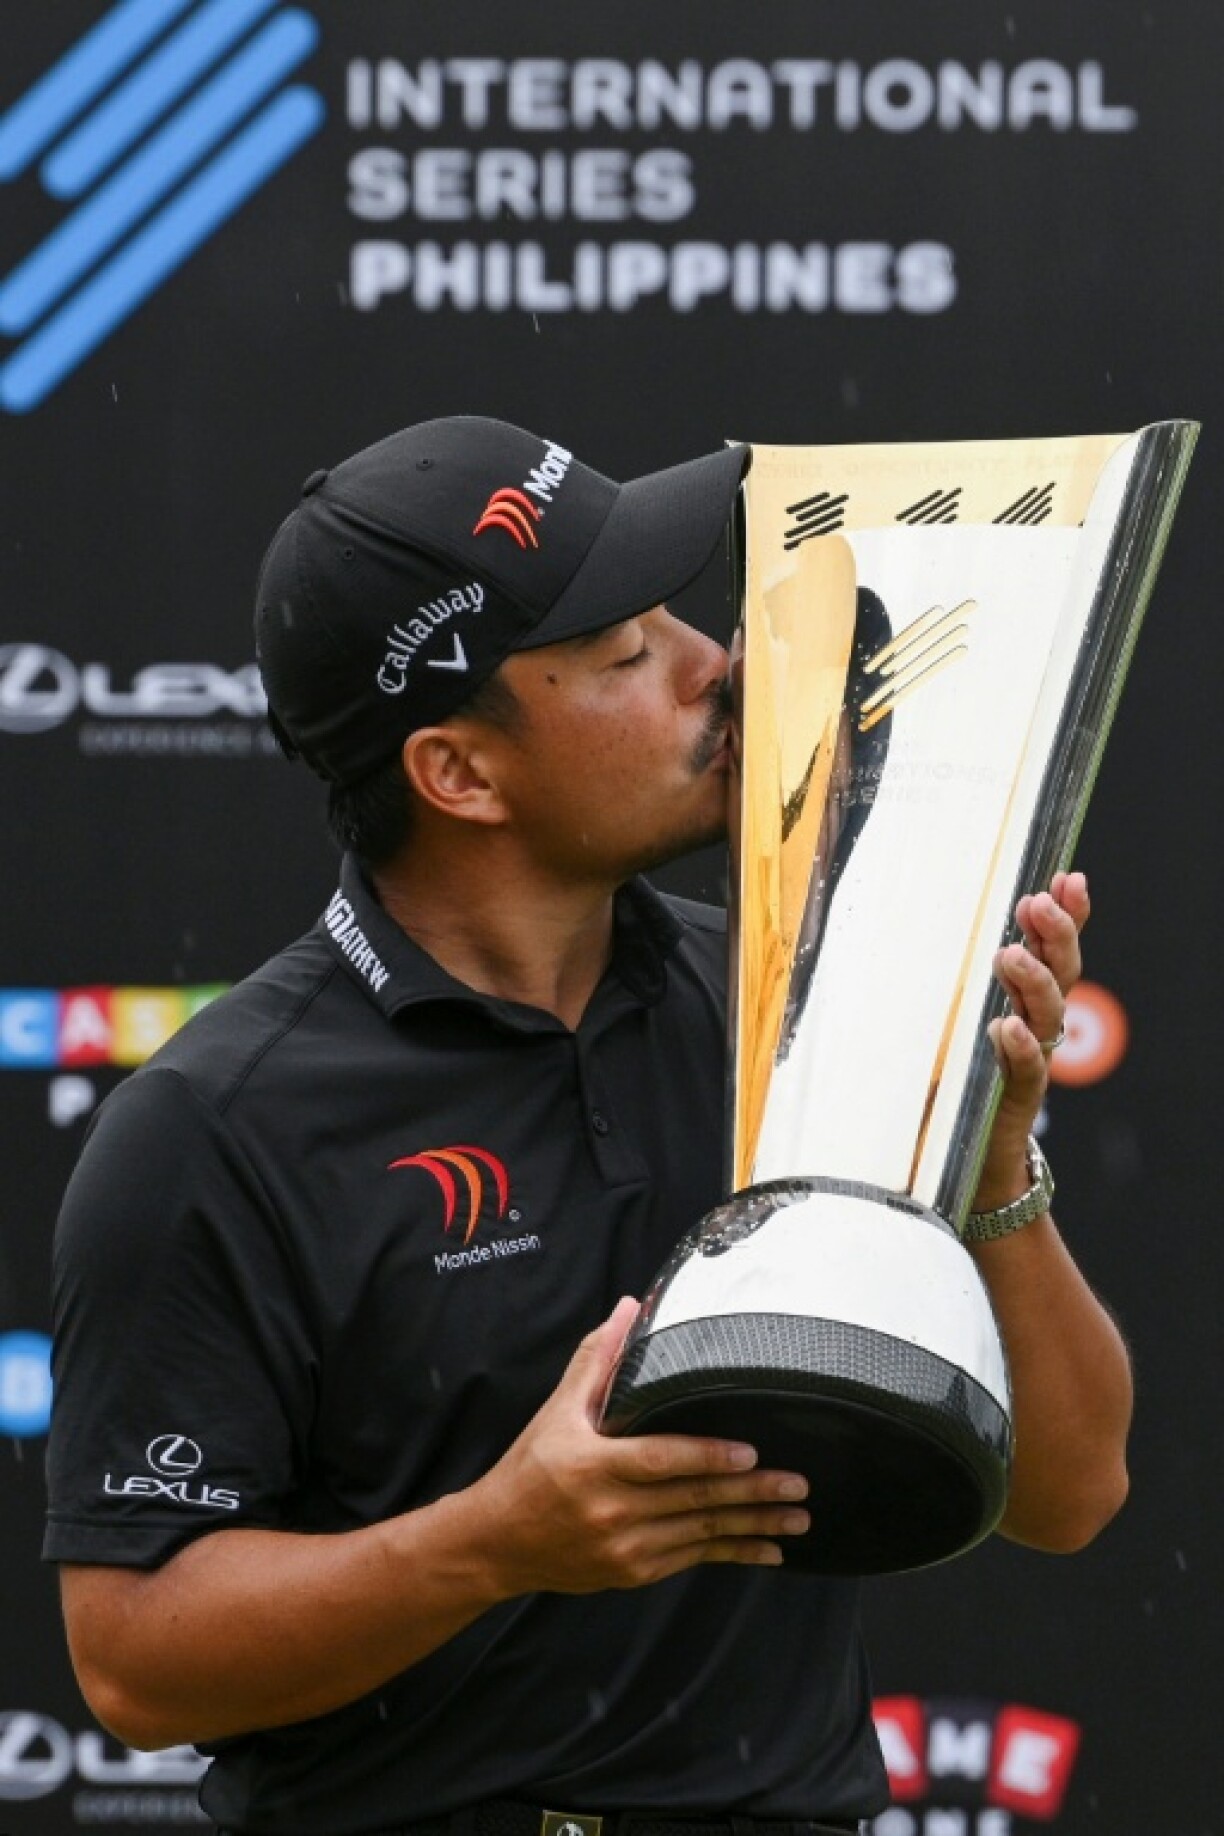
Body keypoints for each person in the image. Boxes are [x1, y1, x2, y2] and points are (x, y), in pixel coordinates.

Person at [46, 417, 1133, 1836]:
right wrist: (493, 1545)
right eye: (629, 655)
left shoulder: (793, 1004)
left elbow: (1069, 1488)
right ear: (460, 775)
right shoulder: (208, 1131)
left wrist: (989, 1161)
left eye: (679, 616)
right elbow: (134, 1659)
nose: (717, 663)